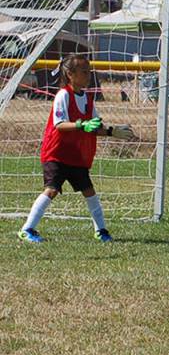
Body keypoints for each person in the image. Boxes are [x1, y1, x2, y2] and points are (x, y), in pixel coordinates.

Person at [19, 54, 133, 243]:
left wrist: (112, 132)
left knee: (89, 191)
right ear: (70, 74)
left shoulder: (88, 98)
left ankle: (101, 231)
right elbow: (60, 124)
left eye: (89, 71)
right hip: (57, 153)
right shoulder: (63, 95)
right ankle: (27, 229)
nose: (88, 75)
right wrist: (81, 125)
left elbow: (93, 128)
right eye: (84, 72)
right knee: (52, 190)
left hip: (77, 155)